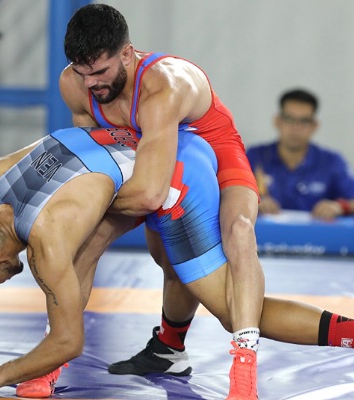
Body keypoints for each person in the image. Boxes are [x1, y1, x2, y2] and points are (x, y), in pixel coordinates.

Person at [0, 126, 354, 399]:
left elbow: (71, 339)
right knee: (134, 253)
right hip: (142, 145)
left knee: (232, 307)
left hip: (176, 177)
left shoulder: (45, 245)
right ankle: (168, 348)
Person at [59, 2, 265, 395]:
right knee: (95, 244)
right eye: (83, 73)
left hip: (214, 153)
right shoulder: (74, 84)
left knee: (239, 232)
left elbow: (151, 192)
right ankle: (62, 354)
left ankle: (245, 369)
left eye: (100, 72)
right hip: (153, 159)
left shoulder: (162, 84)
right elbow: (98, 155)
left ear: (126, 53)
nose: (92, 85)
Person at [247, 88, 354, 218]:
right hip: (265, 232)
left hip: (317, 232)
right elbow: (234, 194)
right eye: (289, 119)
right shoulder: (254, 157)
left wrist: (340, 207)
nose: (296, 128)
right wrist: (252, 201)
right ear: (277, 121)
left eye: (304, 121)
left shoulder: (330, 162)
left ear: (314, 126)